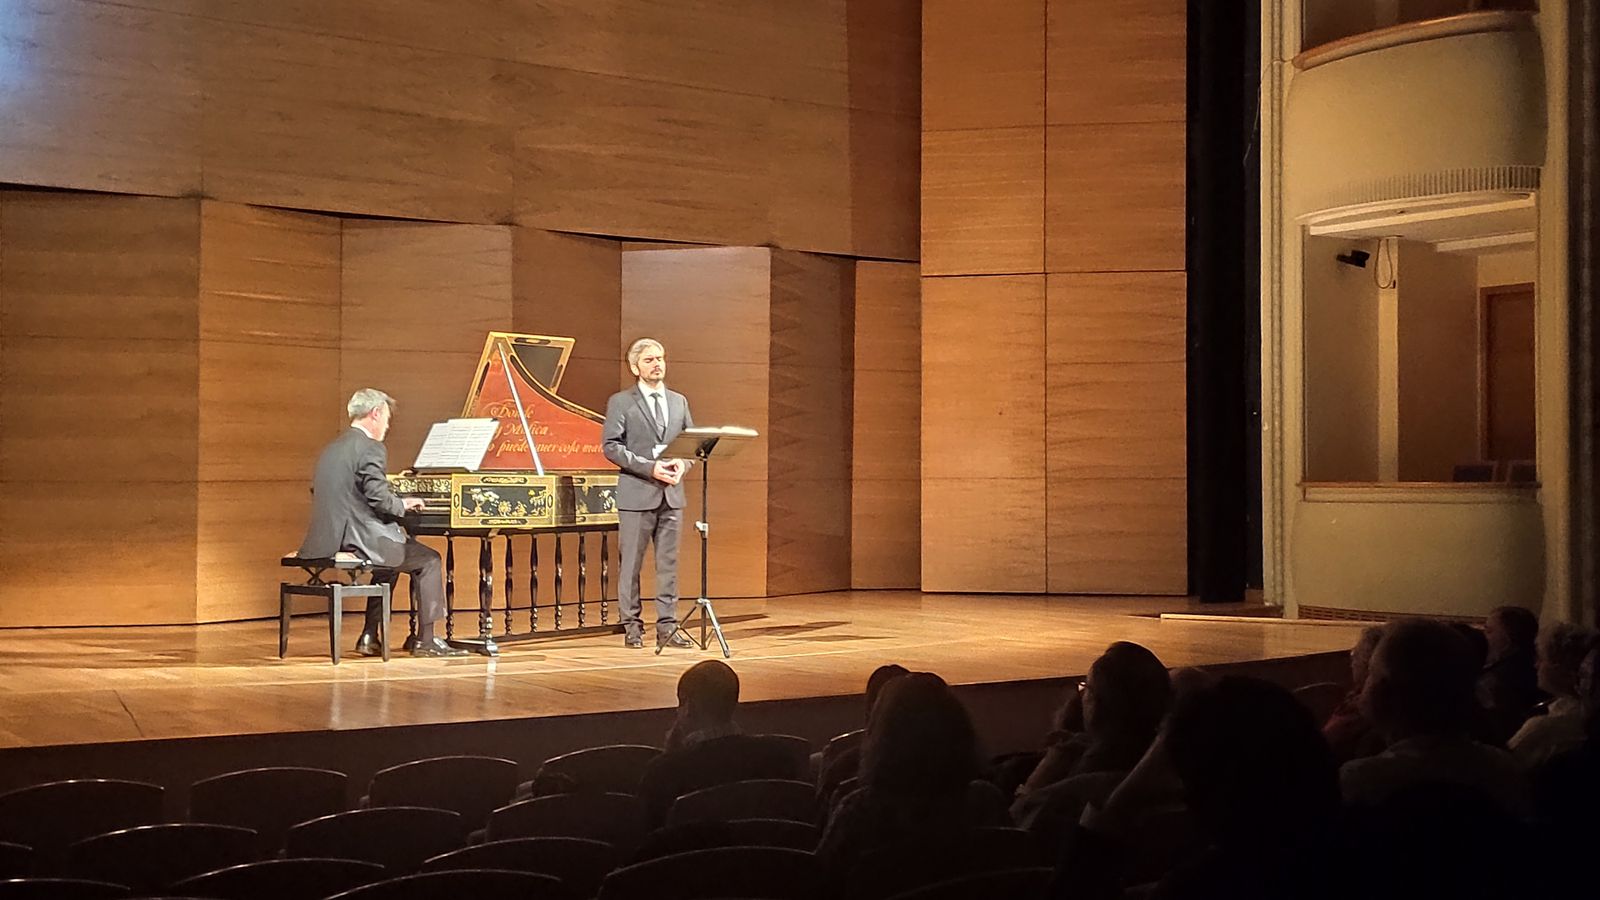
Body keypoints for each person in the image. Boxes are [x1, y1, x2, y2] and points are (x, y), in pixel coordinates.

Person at [298, 389, 466, 658]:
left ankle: (369, 636)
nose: (387, 426)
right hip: (359, 539)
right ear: (375, 414)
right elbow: (379, 499)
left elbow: (329, 492)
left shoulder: (331, 449)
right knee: (429, 559)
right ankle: (427, 639)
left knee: (390, 563)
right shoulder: (371, 448)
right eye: (387, 419)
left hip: (330, 538)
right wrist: (402, 504)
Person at [603, 338, 695, 649]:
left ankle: (668, 627)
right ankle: (632, 626)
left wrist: (683, 464)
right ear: (635, 367)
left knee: (668, 565)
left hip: (672, 495)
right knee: (631, 563)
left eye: (660, 358)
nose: (657, 364)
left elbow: (691, 445)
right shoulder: (621, 401)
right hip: (637, 493)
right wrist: (649, 468)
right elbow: (611, 447)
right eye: (649, 360)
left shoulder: (679, 401)